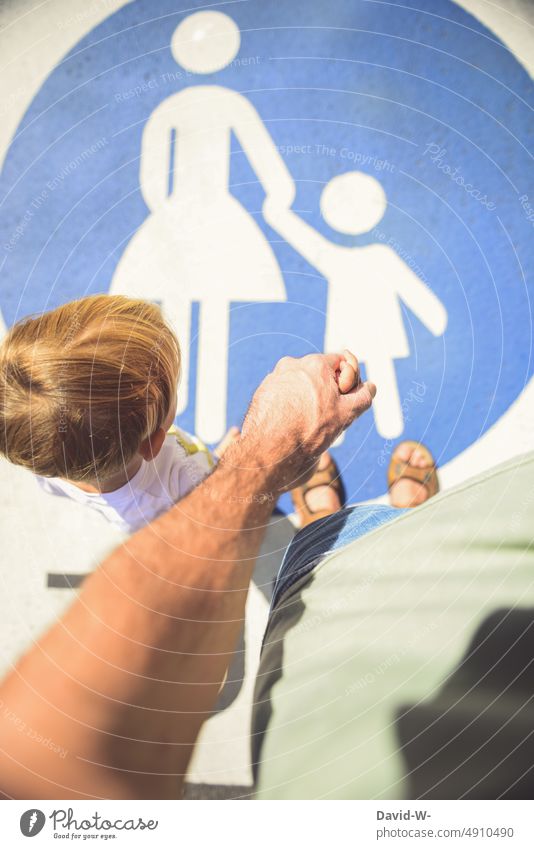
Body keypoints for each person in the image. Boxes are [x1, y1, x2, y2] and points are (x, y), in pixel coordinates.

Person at [0, 350, 375, 799]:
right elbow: (216, 505)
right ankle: (313, 519)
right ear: (155, 440)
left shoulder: (58, 470)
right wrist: (258, 465)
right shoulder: (179, 481)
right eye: (167, 394)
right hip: (186, 489)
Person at [0, 294, 240, 533]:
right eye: (173, 389)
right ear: (153, 444)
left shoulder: (51, 466)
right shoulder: (182, 480)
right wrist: (226, 471)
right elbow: (219, 509)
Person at [264, 171, 448, 439]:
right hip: (352, 336)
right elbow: (307, 241)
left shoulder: (367, 257)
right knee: (343, 381)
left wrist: (433, 315)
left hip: (375, 330)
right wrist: (278, 215)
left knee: (363, 379)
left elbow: (409, 287)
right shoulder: (344, 257)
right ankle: (337, 435)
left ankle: (379, 429)